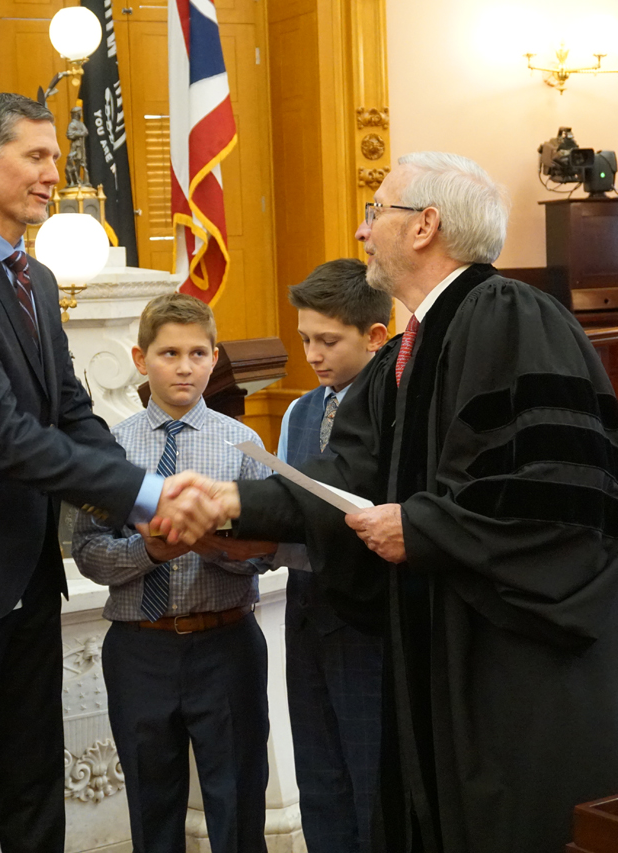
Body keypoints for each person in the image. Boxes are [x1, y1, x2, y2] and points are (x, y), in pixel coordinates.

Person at [175, 152, 618, 853]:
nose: (361, 229)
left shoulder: (516, 318)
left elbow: (565, 502)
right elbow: (343, 474)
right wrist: (232, 502)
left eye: (376, 212)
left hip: (525, 660)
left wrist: (425, 526)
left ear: (426, 225)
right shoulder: (410, 350)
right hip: (448, 643)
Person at [0, 92, 222, 853]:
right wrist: (144, 494)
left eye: (54, 160)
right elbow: (1, 434)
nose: (50, 177)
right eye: (35, 157)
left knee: (36, 787)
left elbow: (71, 410)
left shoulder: (30, 277)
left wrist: (130, 492)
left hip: (26, 574)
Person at [71, 293, 276, 853]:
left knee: (237, 804)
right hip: (141, 649)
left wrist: (211, 544)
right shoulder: (112, 449)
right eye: (168, 354)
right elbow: (89, 552)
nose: (184, 367)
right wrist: (152, 554)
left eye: (197, 353)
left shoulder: (244, 444)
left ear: (215, 358)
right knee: (152, 806)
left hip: (226, 642)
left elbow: (269, 551)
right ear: (141, 359)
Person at [274, 258, 390, 853]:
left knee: (368, 772)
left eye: (328, 341)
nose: (314, 355)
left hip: (364, 614)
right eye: (304, 341)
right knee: (317, 768)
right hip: (305, 607)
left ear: (375, 336)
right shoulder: (301, 412)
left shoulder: (392, 407)